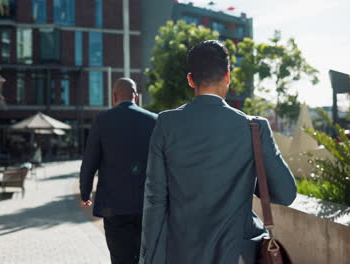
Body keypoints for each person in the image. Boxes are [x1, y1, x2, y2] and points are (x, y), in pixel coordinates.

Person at [139, 40, 297, 264]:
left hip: (181, 253)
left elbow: (155, 200)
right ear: (228, 76)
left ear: (191, 79)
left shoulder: (166, 123)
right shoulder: (254, 128)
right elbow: (286, 193)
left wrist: (148, 257)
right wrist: (248, 177)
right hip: (236, 254)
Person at [79, 78, 157, 264]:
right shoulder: (154, 120)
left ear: (114, 96)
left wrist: (85, 193)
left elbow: (90, 161)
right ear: (136, 97)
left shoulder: (101, 121)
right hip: (146, 206)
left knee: (120, 259)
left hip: (113, 207)